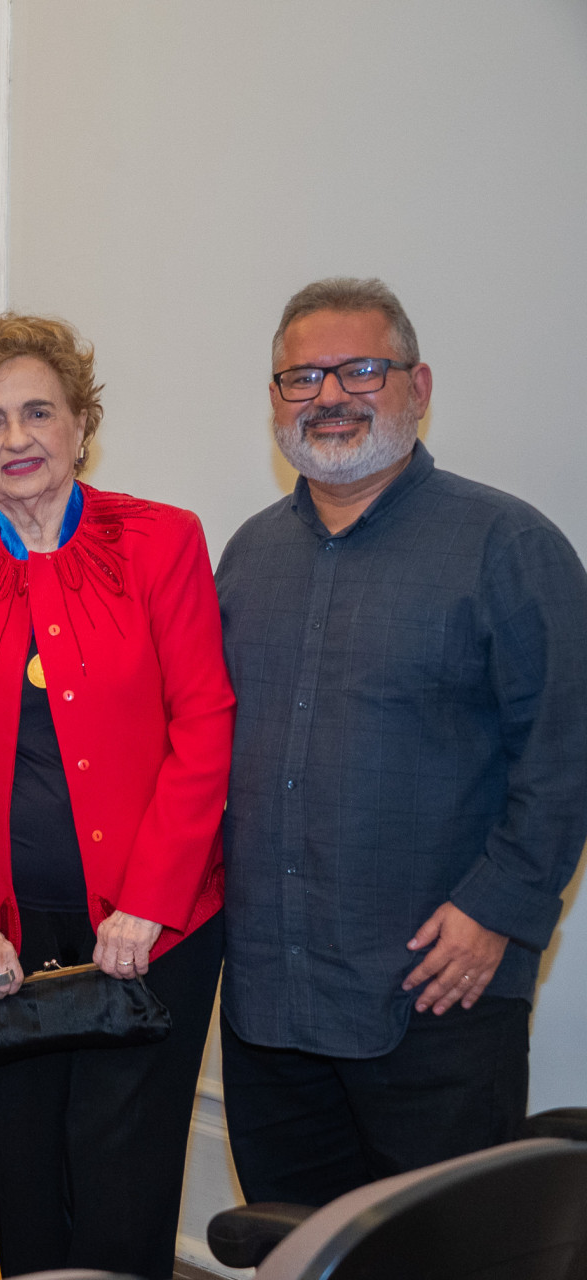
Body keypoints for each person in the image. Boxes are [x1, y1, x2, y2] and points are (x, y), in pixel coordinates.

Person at [216, 277, 587, 1207]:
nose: (330, 395)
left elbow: (565, 747)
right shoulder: (246, 556)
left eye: (361, 369)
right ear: (273, 400)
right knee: (297, 1250)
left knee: (446, 1253)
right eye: (302, 376)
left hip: (437, 996)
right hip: (273, 997)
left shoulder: (507, 544)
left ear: (418, 387)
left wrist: (499, 910)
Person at [0, 314, 233, 1279]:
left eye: (39, 411)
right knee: (25, 1180)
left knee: (124, 1186)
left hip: (154, 931)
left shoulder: (162, 542)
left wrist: (148, 904)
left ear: (82, 423)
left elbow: (205, 726)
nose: (17, 438)